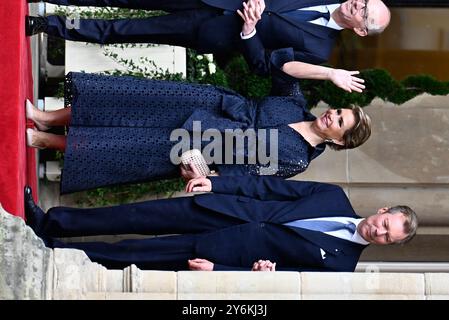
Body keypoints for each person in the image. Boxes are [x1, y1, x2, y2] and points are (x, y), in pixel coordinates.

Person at [25, 49, 371, 194]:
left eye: (339, 122)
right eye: (339, 111)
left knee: (122, 148)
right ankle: (45, 117)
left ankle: (48, 141)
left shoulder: (295, 160)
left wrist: (204, 175)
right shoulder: (297, 104)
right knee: (125, 103)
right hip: (208, 103)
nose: (333, 114)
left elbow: (246, 175)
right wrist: (329, 73)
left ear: (339, 141)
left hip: (205, 145)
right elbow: (282, 67)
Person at [24, 175, 418, 271]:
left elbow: (281, 282)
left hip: (220, 252)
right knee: (130, 215)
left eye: (386, 237)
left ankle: (56, 253)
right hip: (221, 210)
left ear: (387, 244)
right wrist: (217, 182)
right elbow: (269, 187)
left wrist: (221, 272)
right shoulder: (333, 196)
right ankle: (51, 223)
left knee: (131, 252)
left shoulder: (341, 267)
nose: (378, 231)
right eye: (386, 223)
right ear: (383, 211)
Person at [25, 0, 391, 75]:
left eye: (364, 12)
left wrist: (249, 31)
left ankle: (49, 26)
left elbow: (264, 65)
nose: (357, 3)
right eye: (364, 0)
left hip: (211, 31)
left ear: (360, 29)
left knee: (126, 30)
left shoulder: (320, 50)